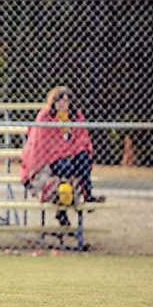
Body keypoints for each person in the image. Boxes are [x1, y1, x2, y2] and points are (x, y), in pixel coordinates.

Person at [20, 86, 105, 226]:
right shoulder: (46, 117)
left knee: (83, 160)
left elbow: (82, 139)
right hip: (52, 158)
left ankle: (88, 196)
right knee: (65, 168)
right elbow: (43, 142)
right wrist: (64, 152)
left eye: (66, 101)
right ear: (53, 102)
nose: (62, 104)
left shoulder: (76, 117)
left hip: (72, 154)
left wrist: (73, 152)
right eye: (59, 100)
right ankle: (61, 211)